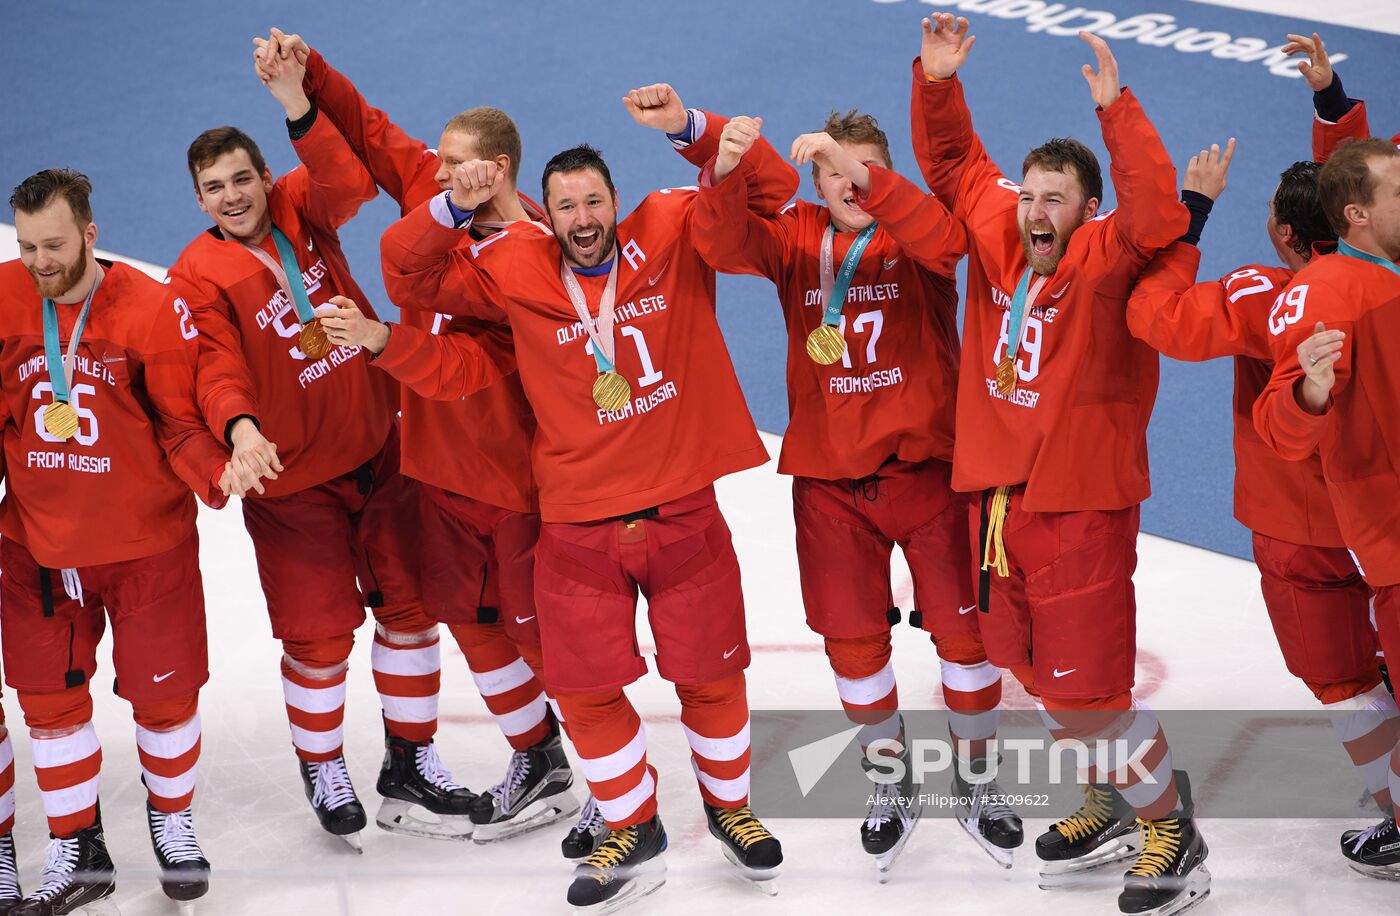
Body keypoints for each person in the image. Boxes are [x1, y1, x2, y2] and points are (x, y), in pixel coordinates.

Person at [380, 85, 795, 911]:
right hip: (576, 522)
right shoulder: (513, 264)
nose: (581, 218)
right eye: (566, 205)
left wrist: (693, 129)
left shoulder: (670, 226)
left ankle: (731, 811)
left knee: (711, 678)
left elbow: (769, 195)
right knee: (584, 689)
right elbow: (409, 275)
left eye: (594, 201)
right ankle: (631, 825)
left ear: (614, 200)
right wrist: (451, 208)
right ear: (550, 209)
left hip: (681, 507)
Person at [250, 27, 586, 852]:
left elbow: (461, 368)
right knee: (468, 623)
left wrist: (376, 341)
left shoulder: (534, 260)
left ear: (493, 171)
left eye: (452, 165)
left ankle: (612, 784)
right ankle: (537, 756)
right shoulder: (441, 197)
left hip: (511, 483)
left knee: (545, 641)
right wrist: (307, 78)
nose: (431, 174)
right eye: (436, 163)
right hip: (436, 473)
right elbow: (370, 133)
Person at [913, 15, 1207, 914]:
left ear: (1087, 210)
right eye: (1031, 196)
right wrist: (936, 84)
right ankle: (1111, 799)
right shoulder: (1003, 230)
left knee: (1091, 694)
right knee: (1039, 676)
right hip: (998, 507)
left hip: (1080, 507)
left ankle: (1173, 833)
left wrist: (1116, 112)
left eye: (1057, 200)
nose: (1038, 212)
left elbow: (1158, 212)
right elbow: (957, 166)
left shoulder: (1110, 256)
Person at [690, 110, 1018, 875]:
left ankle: (976, 784)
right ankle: (890, 784)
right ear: (813, 183)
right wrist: (724, 167)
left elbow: (947, 241)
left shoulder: (917, 229)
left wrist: (864, 171)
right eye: (832, 169)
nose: (849, 183)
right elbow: (719, 241)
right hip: (832, 482)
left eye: (861, 167)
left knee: (967, 641)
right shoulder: (796, 236)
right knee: (852, 645)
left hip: (931, 473)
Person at [166, 35, 474, 849]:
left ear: (267, 179)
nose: (232, 197)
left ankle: (411, 759)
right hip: (294, 483)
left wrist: (299, 103)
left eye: (242, 179)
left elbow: (350, 178)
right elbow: (213, 364)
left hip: (380, 452)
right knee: (319, 636)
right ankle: (323, 763)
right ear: (198, 202)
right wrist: (240, 428)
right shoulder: (199, 274)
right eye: (214, 189)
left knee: (411, 612)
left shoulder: (302, 205)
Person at [1, 168, 249, 913]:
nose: (40, 261)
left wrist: (222, 467)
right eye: (27, 245)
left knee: (165, 701)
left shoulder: (149, 307)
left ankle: (172, 823)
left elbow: (178, 422)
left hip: (146, 547)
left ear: (90, 235)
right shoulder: (3, 298)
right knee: (50, 705)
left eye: (55, 244)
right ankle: (78, 848)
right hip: (39, 551)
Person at [1255, 137, 1400, 880]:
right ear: (1357, 215)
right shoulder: (1329, 292)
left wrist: (1332, 98)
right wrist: (1311, 389)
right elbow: (1279, 425)